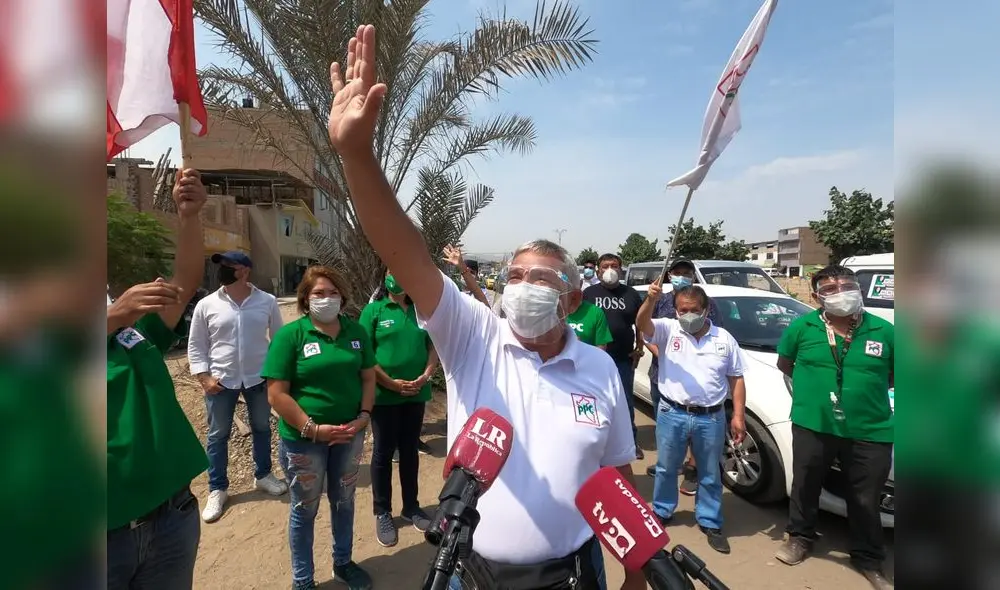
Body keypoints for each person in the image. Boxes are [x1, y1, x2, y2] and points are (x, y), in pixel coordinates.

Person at [325, 24, 644, 590]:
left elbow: (616, 474)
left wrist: (637, 574)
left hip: (575, 572)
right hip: (469, 572)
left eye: (539, 278)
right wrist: (356, 156)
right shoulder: (473, 335)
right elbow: (405, 251)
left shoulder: (598, 368)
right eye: (514, 275)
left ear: (571, 298)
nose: (521, 286)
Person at [107, 169, 210, 590]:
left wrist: (189, 216)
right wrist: (111, 316)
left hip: (171, 520)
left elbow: (182, 285)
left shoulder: (134, 335)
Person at [773, 265, 894, 590]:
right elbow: (785, 364)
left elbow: (897, 375)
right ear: (816, 297)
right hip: (813, 424)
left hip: (871, 429)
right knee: (806, 483)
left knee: (866, 497)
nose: (841, 292)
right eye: (830, 288)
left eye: (847, 285)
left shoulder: (885, 331)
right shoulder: (802, 328)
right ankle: (799, 537)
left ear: (858, 288)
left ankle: (868, 558)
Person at [261, 266, 375, 590]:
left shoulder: (356, 333)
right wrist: (313, 429)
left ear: (343, 297)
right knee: (304, 509)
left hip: (349, 437)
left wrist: (364, 415)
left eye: (333, 293)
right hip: (304, 442)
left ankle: (343, 563)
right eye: (318, 294)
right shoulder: (290, 336)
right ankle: (303, 580)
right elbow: (276, 394)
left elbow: (368, 377)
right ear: (305, 299)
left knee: (344, 501)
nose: (326, 299)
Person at [637, 280, 746, 554]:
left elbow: (736, 378)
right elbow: (642, 324)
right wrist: (650, 300)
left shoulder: (724, 339)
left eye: (693, 310)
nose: (687, 315)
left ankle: (709, 520)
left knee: (710, 472)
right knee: (665, 467)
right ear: (675, 310)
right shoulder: (667, 329)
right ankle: (662, 511)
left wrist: (739, 416)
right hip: (671, 412)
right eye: (682, 310)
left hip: (711, 417)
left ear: (706, 309)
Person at [187, 251, 288, 523]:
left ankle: (263, 475)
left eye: (229, 265)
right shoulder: (206, 305)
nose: (223, 270)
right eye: (222, 266)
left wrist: (276, 375)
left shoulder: (266, 301)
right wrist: (204, 378)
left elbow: (279, 340)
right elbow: (197, 345)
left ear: (244, 270)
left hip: (258, 378)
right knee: (217, 435)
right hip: (221, 380)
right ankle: (217, 488)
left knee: (263, 428)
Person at [360, 270, 439, 547]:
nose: (400, 277)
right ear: (385, 277)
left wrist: (426, 375)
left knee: (409, 451)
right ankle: (383, 512)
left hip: (415, 394)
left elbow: (434, 348)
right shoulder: (374, 311)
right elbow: (365, 355)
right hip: (385, 396)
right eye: (393, 272)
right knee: (382, 453)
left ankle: (411, 507)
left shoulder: (421, 311)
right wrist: (391, 383)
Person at [642, 259, 725, 487]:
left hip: (695, 377)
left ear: (693, 275)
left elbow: (714, 332)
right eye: (677, 272)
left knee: (697, 425)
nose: (681, 276)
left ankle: (692, 466)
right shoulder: (660, 300)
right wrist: (660, 352)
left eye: (686, 273)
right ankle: (671, 464)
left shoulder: (707, 303)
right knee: (669, 425)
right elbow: (645, 330)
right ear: (669, 275)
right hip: (662, 374)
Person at [583, 253, 645, 459]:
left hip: (622, 358)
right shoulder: (588, 293)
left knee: (625, 402)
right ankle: (594, 443)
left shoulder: (632, 294)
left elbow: (640, 323)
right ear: (598, 270)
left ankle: (630, 444)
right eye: (605, 266)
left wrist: (640, 346)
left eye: (614, 266)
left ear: (621, 269)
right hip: (593, 359)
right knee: (592, 400)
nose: (609, 269)